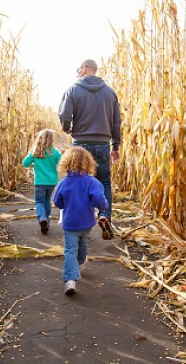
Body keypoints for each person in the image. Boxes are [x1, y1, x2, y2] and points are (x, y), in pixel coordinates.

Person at [58, 59, 121, 240]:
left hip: (80, 144)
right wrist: (115, 146)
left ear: (85, 69)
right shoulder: (110, 93)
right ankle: (104, 215)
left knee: (78, 182)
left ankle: (80, 226)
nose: (77, 72)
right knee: (104, 182)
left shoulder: (73, 89)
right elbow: (116, 122)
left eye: (78, 69)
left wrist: (67, 128)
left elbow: (64, 114)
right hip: (102, 144)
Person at [53, 147, 108, 294]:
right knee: (82, 245)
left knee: (71, 250)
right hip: (86, 222)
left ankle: (71, 278)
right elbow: (99, 200)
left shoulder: (64, 183)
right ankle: (73, 272)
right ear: (88, 163)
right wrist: (103, 207)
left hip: (70, 223)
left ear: (66, 163)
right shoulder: (92, 182)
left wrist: (66, 203)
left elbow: (57, 202)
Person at [22, 129, 62, 234]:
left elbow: (25, 163)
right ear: (52, 140)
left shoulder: (35, 151)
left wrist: (34, 165)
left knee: (39, 201)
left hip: (39, 181)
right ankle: (47, 220)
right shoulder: (55, 152)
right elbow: (62, 162)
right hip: (52, 182)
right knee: (47, 200)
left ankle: (42, 218)